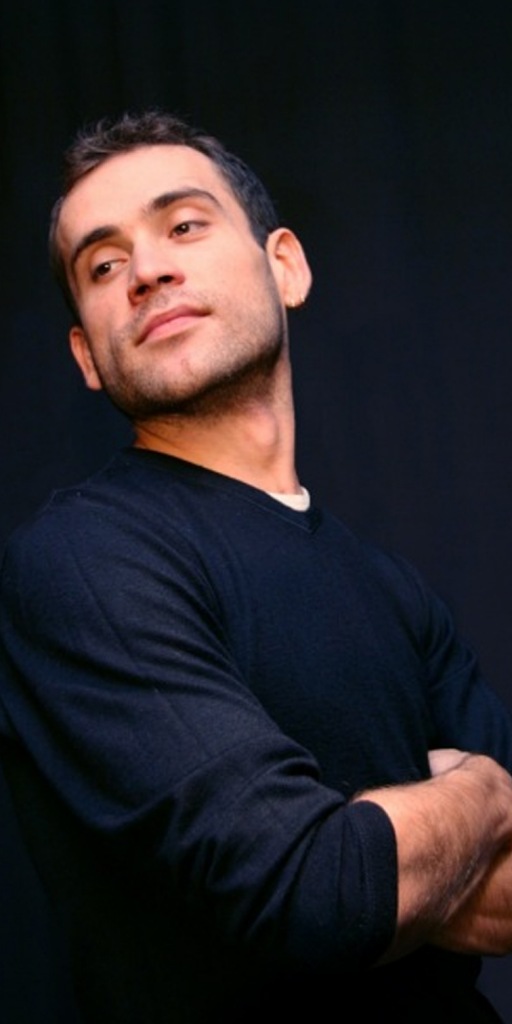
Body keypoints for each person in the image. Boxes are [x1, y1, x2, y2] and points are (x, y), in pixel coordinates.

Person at [1, 110, 512, 1024]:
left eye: (183, 225)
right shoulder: (81, 564)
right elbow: (316, 895)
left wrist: (378, 847)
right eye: (103, 265)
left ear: (286, 267)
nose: (146, 270)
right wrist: (482, 788)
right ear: (86, 356)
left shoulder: (392, 587)